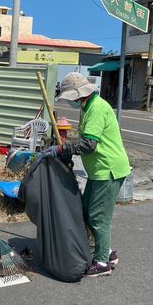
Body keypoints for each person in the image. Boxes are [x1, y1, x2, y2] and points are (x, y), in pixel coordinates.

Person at [41, 72, 131, 278]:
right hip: (98, 170)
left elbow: (89, 145)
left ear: (76, 94)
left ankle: (101, 263)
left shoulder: (97, 109)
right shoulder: (88, 107)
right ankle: (106, 251)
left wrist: (61, 150)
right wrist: (67, 151)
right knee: (86, 212)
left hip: (108, 170)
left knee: (99, 217)